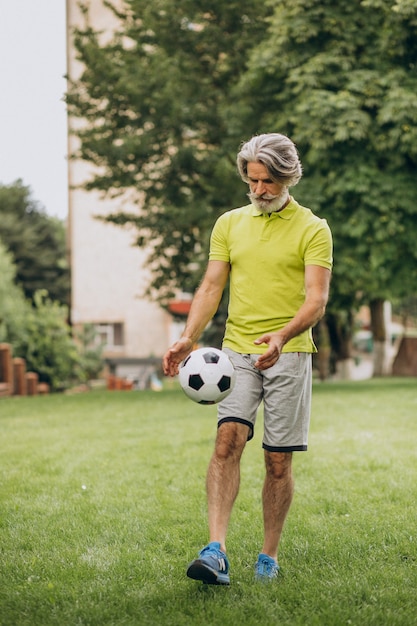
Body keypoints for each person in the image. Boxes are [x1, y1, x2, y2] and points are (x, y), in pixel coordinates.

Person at [162, 132, 333, 585]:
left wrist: (282, 335)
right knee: (227, 441)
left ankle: (268, 556)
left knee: (278, 461)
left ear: (288, 177)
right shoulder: (230, 224)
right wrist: (187, 337)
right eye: (252, 181)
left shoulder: (314, 229)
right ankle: (215, 550)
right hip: (236, 353)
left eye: (268, 182)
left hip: (290, 354)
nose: (258, 190)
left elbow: (316, 301)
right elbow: (211, 287)